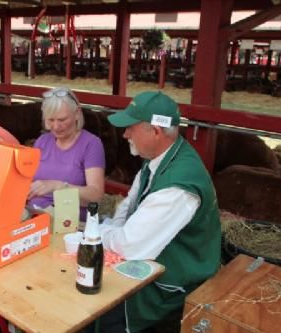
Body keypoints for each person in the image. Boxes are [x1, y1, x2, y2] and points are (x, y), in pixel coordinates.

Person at [91, 91, 221, 333]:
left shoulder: (177, 186)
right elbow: (129, 202)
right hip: (154, 260)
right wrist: (112, 230)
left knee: (103, 311)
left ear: (156, 131)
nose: (125, 133)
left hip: (175, 283)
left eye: (131, 127)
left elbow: (131, 245)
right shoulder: (160, 157)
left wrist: (95, 233)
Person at [27, 87, 105, 221]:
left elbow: (96, 194)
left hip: (69, 221)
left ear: (77, 113)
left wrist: (58, 186)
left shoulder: (91, 144)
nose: (56, 127)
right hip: (34, 214)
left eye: (62, 120)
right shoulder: (42, 141)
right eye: (50, 120)